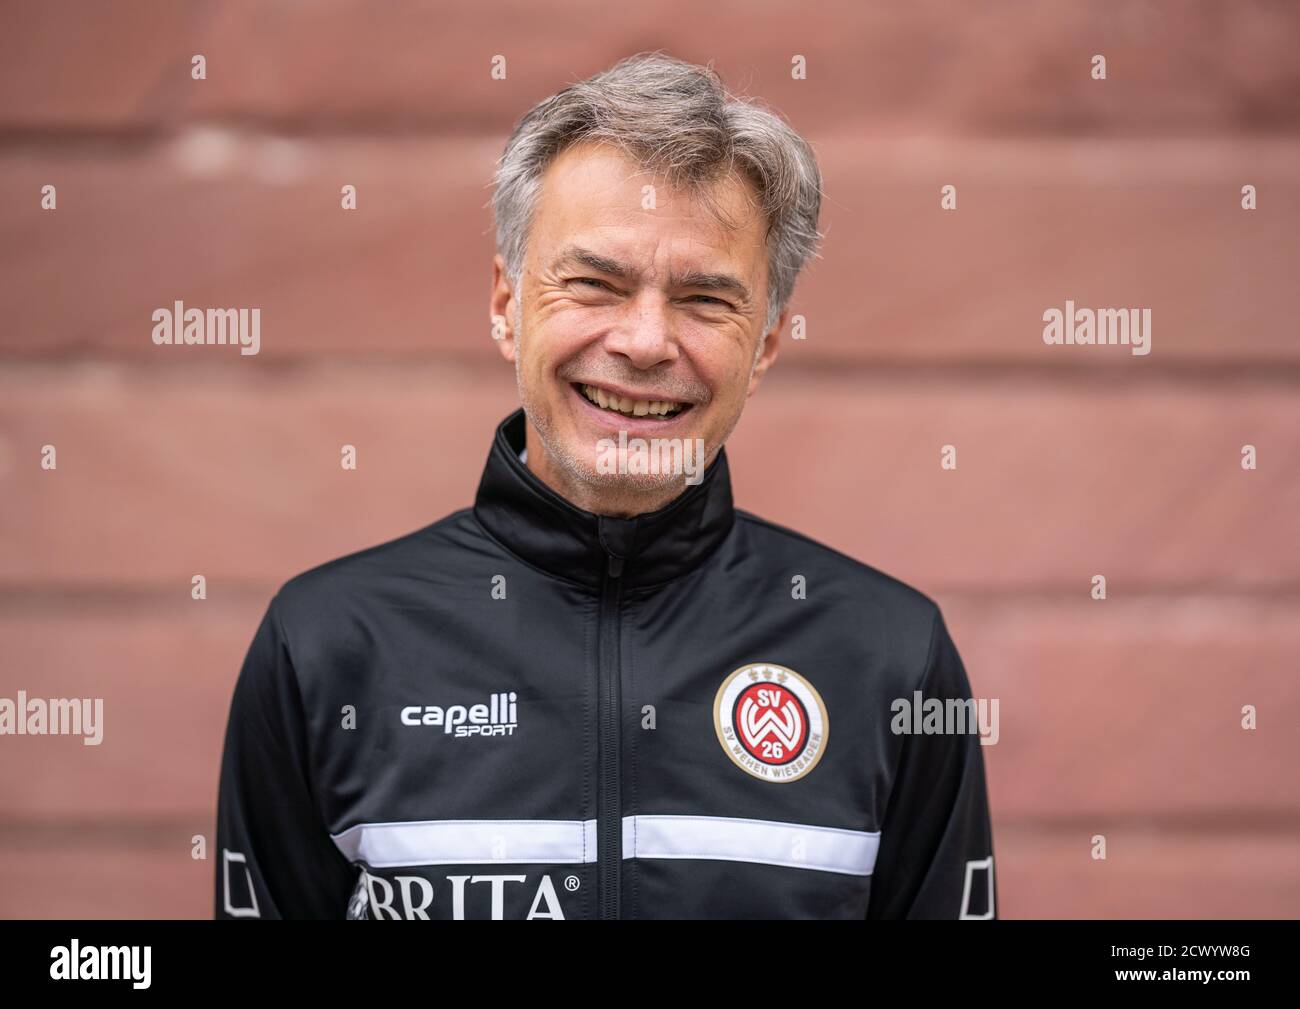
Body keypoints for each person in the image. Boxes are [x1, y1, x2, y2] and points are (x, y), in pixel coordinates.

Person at [214, 52, 996, 920]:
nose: (646, 341)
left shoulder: (891, 656)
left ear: (766, 343)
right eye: (594, 284)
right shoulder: (323, 645)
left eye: (705, 300)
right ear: (507, 307)